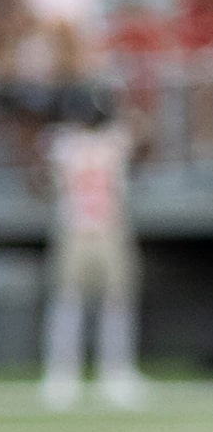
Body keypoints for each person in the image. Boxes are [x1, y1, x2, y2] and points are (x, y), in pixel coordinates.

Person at [40, 84, 145, 407]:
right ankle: (63, 372)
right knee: (70, 302)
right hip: (79, 227)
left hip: (106, 227)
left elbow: (143, 138)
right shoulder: (65, 142)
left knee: (115, 301)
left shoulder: (90, 140)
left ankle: (113, 371)